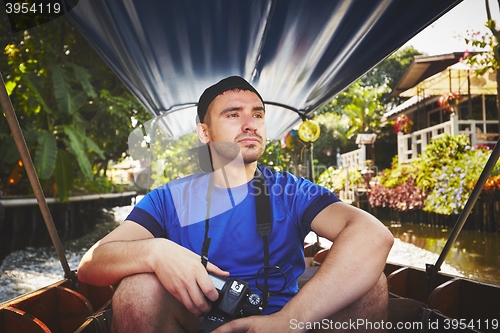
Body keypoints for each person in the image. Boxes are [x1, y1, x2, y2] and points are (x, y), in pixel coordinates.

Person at [77, 76, 394, 333]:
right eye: (233, 114)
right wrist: (156, 251)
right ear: (205, 132)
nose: (250, 123)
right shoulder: (169, 199)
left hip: (284, 322)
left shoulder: (292, 191)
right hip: (197, 323)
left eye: (257, 114)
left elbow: (373, 236)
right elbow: (91, 265)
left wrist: (286, 321)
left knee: (371, 284)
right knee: (136, 288)